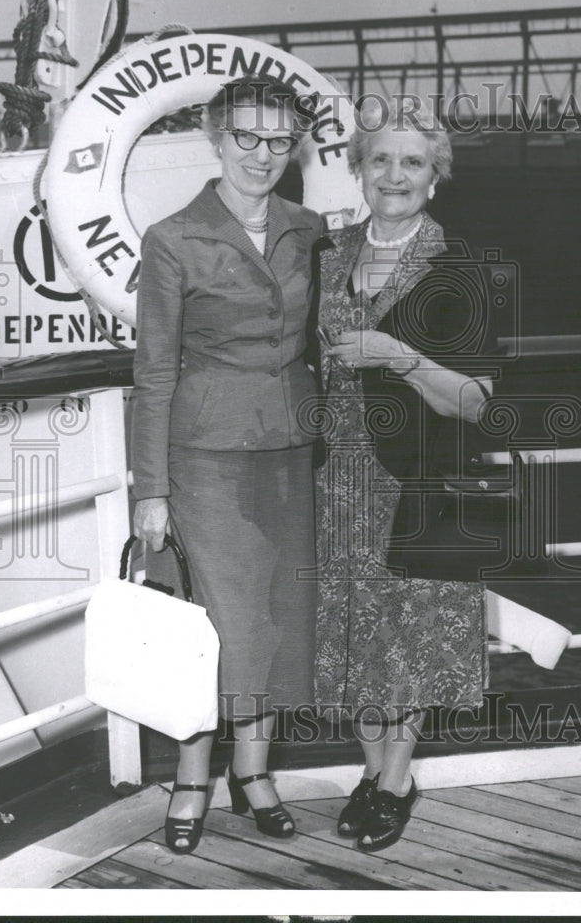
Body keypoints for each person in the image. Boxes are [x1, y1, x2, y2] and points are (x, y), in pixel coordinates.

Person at [131, 74, 323, 854]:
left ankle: (255, 772)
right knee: (216, 626)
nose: (264, 154)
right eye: (247, 137)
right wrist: (152, 489)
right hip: (206, 459)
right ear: (214, 138)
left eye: (280, 141)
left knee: (279, 615)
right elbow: (153, 372)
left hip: (292, 453)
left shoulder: (308, 228)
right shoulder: (173, 238)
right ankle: (190, 777)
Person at [314, 96, 491, 852]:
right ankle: (369, 767)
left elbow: (476, 401)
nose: (394, 174)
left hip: (417, 479)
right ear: (357, 168)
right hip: (335, 479)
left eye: (411, 161)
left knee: (409, 635)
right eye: (379, 158)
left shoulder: (463, 269)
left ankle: (395, 779)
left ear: (434, 177)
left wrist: (394, 355)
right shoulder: (325, 255)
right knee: (355, 631)